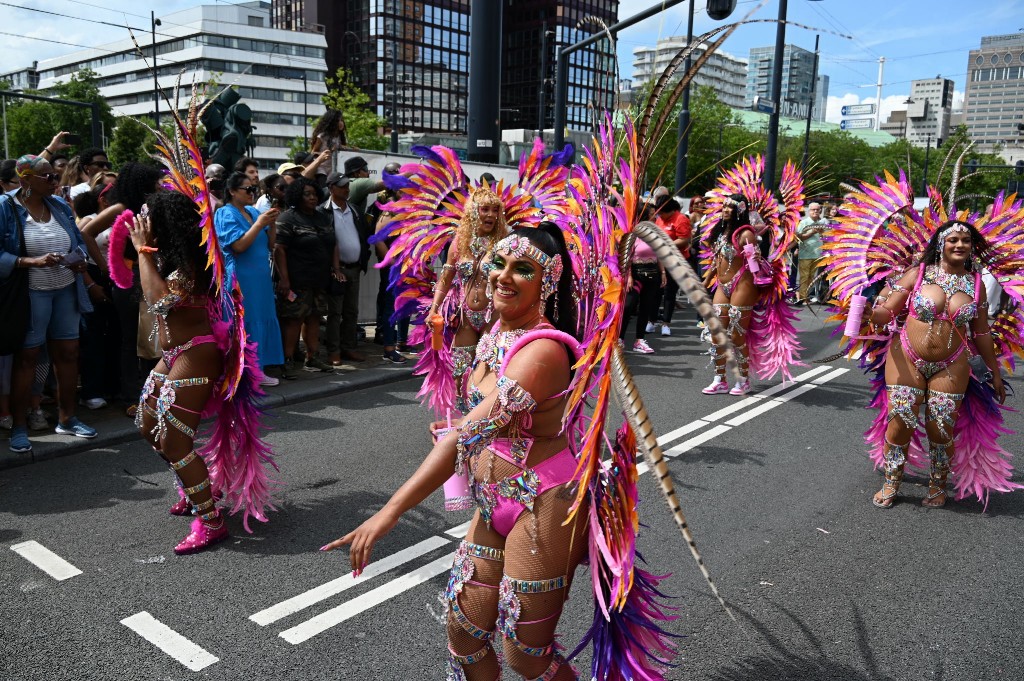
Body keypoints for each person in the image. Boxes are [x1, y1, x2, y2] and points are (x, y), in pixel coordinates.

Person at [324, 224, 586, 681]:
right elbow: (477, 423)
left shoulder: (543, 350)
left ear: (546, 282)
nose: (503, 276)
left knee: (525, 654)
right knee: (463, 633)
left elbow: (463, 437)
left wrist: (389, 513)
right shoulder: (492, 334)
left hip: (544, 504)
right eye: (498, 263)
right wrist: (462, 426)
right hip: (493, 503)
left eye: (522, 268)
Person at [0, 155, 96, 454]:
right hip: (31, 294)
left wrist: (79, 260)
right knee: (27, 357)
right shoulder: (6, 208)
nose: (56, 181)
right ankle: (19, 426)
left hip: (65, 289)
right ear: (26, 178)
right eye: (49, 177)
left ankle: (68, 418)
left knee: (68, 353)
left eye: (56, 176)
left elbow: (77, 240)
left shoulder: (58, 206)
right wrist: (30, 261)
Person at [80, 161, 165, 415]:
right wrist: (106, 266)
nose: (158, 186)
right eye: (153, 182)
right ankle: (131, 394)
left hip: (153, 272)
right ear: (141, 184)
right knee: (130, 337)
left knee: (153, 334)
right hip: (130, 277)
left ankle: (153, 391)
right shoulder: (121, 207)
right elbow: (86, 232)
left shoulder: (154, 206)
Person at [428, 188, 509, 412]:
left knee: (488, 367)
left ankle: (485, 415)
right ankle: (462, 419)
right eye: (485, 209)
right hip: (466, 317)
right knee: (460, 371)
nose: (491, 215)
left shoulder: (504, 244)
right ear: (474, 212)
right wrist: (434, 309)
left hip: (493, 318)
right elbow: (444, 281)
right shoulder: (460, 243)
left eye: (496, 210)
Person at [215, 172, 284, 384]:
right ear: (232, 191)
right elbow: (238, 246)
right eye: (247, 189)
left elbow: (269, 244)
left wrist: (271, 223)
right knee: (244, 322)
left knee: (260, 320)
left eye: (254, 189)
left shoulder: (253, 212)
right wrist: (259, 223)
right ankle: (240, 373)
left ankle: (257, 369)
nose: (252, 193)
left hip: (260, 279)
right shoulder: (225, 214)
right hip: (241, 279)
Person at [274, 177, 338, 377]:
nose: (312, 197)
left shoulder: (322, 217)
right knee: (294, 319)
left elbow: (333, 243)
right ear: (297, 196)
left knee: (315, 318)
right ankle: (287, 359)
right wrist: (284, 279)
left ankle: (313, 357)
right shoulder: (287, 218)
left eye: (314, 194)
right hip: (297, 280)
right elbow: (279, 250)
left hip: (319, 279)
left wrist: (336, 268)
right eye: (307, 194)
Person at [322, 171, 369, 364]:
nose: (346, 189)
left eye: (347, 185)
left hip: (354, 268)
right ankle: (333, 350)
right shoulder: (323, 211)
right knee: (334, 313)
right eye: (341, 185)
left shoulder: (355, 209)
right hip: (335, 271)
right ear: (331, 188)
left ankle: (349, 348)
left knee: (351, 312)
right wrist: (333, 269)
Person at [622, 204, 666, 353]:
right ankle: (620, 339)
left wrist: (663, 273)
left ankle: (639, 340)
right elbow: (626, 256)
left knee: (646, 308)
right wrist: (628, 276)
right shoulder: (632, 232)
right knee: (628, 306)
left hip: (653, 274)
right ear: (644, 215)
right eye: (653, 213)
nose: (655, 216)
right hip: (636, 275)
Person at [652, 196, 691, 336]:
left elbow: (684, 241)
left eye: (662, 213)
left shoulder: (681, 219)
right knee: (656, 291)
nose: (660, 216)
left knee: (670, 291)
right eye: (658, 213)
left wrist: (666, 243)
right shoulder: (659, 219)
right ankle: (652, 320)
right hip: (660, 259)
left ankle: (666, 323)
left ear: (670, 211)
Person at [796, 202, 827, 304]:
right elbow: (798, 237)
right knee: (804, 276)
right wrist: (812, 232)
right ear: (809, 211)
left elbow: (826, 238)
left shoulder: (822, 223)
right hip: (805, 253)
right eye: (813, 209)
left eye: (817, 210)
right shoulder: (804, 222)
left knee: (811, 277)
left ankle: (806, 296)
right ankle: (803, 297)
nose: (815, 211)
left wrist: (822, 233)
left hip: (817, 253)